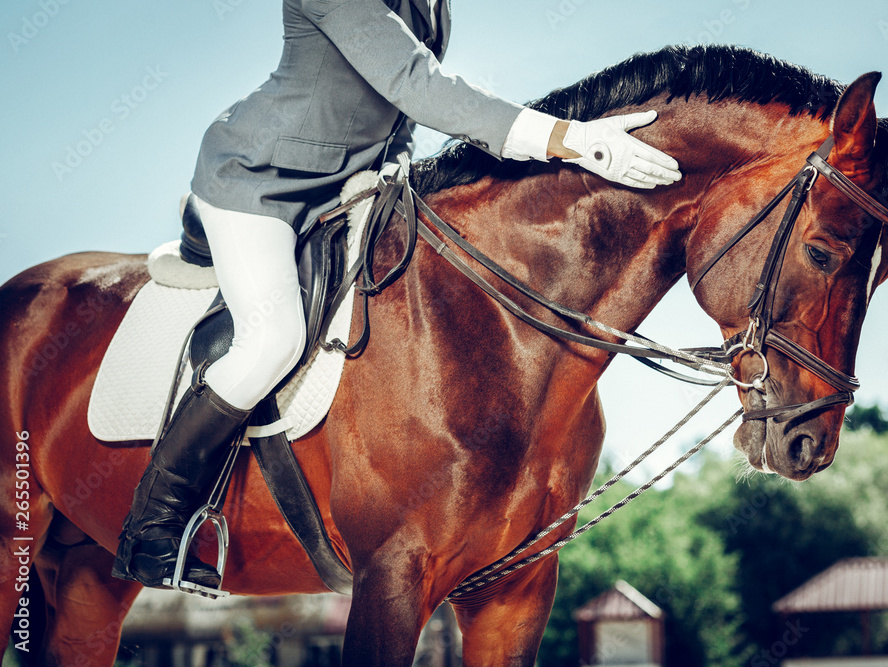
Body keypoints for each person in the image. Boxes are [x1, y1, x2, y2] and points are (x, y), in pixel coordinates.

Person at [112, 0, 682, 590]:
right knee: (272, 337)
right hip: (260, 180)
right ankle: (153, 523)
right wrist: (567, 139)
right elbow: (414, 81)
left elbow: (395, 112)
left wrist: (399, 166)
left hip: (345, 186)